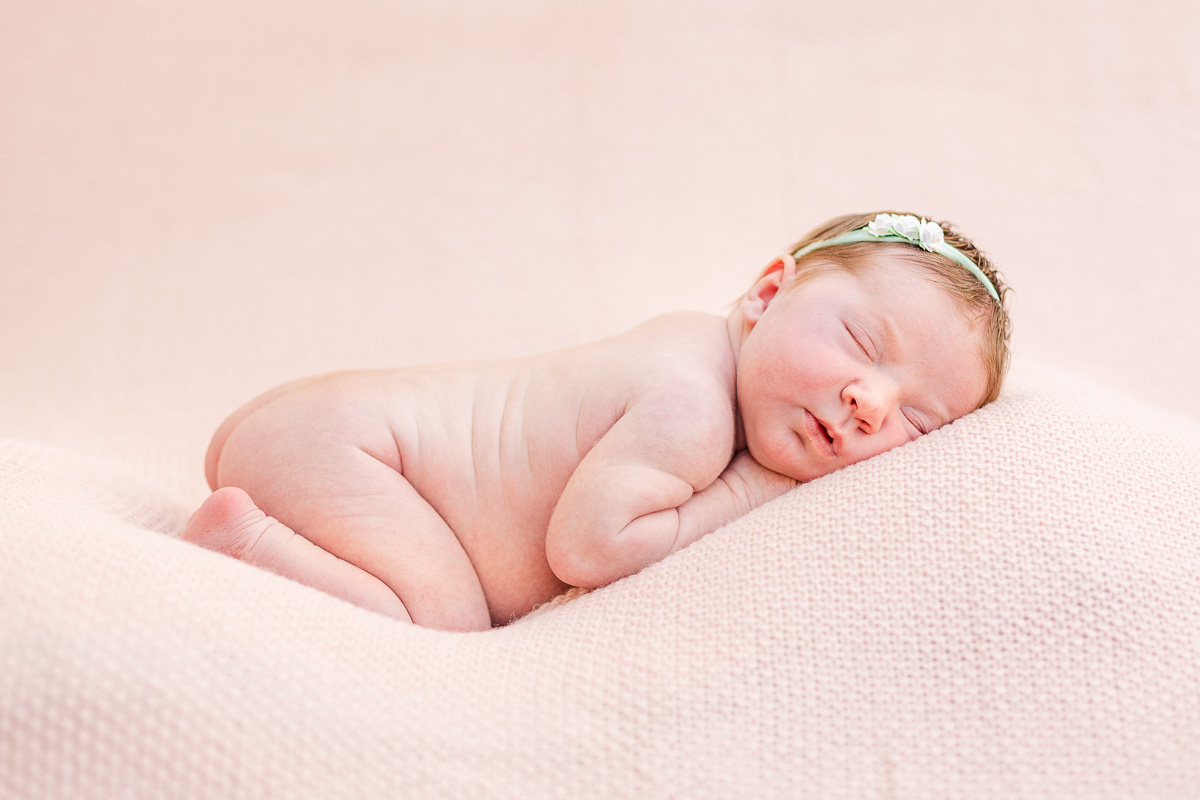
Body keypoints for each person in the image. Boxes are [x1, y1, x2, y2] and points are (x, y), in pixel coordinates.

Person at [182, 211, 1011, 631]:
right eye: (863, 344)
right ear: (768, 295)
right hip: (354, 452)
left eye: (921, 422)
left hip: (331, 436)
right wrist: (749, 493)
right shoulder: (688, 402)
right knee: (443, 617)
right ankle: (247, 544)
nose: (872, 404)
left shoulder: (700, 354)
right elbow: (587, 548)